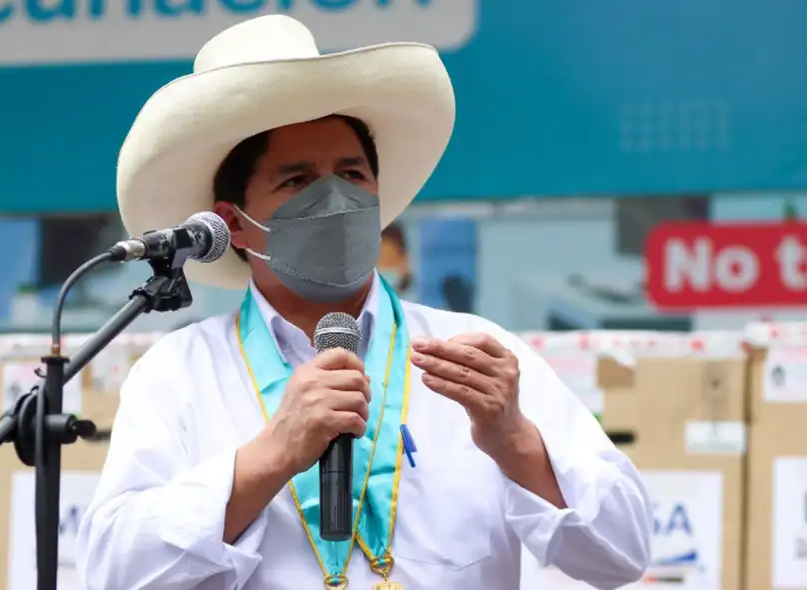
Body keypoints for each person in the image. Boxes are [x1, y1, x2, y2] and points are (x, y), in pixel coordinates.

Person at [76, 15, 651, 590]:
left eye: (352, 174)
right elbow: (115, 574)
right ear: (233, 225)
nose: (335, 199)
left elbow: (622, 555)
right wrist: (269, 457)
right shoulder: (180, 375)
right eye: (296, 181)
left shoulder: (478, 356)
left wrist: (516, 441)